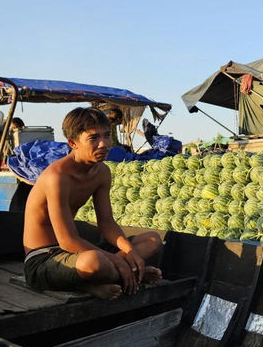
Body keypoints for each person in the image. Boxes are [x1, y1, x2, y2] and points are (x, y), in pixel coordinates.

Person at [23, 107, 162, 300]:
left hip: (74, 253)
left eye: (107, 136)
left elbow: (106, 222)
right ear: (73, 143)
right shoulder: (57, 177)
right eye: (93, 138)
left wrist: (129, 252)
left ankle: (115, 274)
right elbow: (67, 241)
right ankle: (118, 276)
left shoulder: (102, 172)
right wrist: (118, 260)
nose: (104, 144)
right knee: (94, 261)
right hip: (45, 259)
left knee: (152, 239)